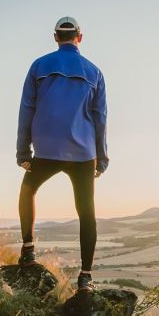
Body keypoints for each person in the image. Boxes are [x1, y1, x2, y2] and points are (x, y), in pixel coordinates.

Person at [16, 16, 108, 292]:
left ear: (56, 37)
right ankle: (86, 277)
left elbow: (26, 109)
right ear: (79, 37)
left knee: (28, 191)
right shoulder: (94, 72)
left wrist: (23, 150)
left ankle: (29, 249)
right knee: (86, 211)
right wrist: (102, 157)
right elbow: (100, 117)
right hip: (82, 151)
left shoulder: (39, 66)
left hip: (46, 147)